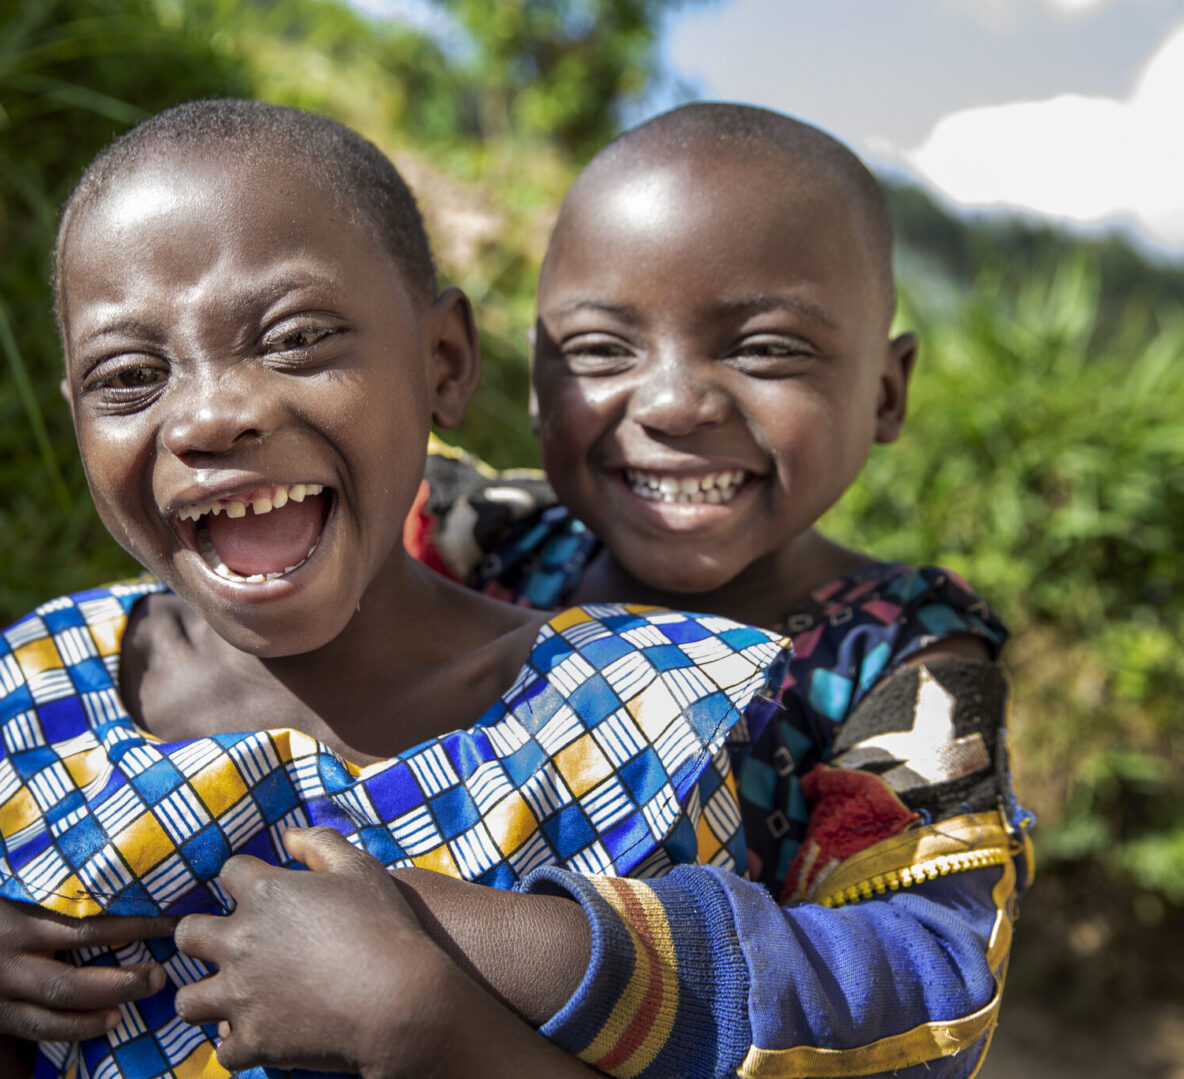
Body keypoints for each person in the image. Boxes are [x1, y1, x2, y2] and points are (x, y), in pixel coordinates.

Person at [0, 98, 790, 1079]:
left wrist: (438, 1029)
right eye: (130, 375)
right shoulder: (26, 714)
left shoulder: (628, 729)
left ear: (441, 361)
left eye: (294, 337)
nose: (210, 415)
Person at [406, 101, 1034, 1077]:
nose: (672, 403)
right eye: (601, 348)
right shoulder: (483, 542)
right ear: (531, 377)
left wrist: (477, 939)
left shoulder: (901, 657)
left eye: (765, 347)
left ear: (885, 390)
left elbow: (928, 988)